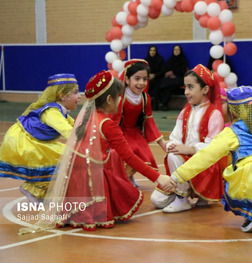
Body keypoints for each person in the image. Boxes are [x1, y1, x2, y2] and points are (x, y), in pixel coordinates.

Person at [19, 70, 176, 234]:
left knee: (112, 155)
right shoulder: (107, 124)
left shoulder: (86, 116)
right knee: (115, 156)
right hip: (92, 177)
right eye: (118, 97)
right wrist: (158, 178)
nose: (119, 100)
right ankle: (100, 204)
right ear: (109, 99)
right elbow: (129, 157)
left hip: (74, 177)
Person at [169, 86, 252, 232]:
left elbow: (206, 156)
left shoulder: (232, 132)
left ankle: (251, 214)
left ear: (233, 110)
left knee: (231, 173)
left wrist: (178, 176)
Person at [150, 64, 226, 213]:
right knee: (157, 200)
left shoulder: (214, 114)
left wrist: (190, 149)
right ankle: (184, 191)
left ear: (205, 89)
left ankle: (182, 198)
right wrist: (172, 144)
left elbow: (214, 148)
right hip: (184, 163)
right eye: (185, 87)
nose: (186, 92)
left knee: (173, 156)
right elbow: (174, 136)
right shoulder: (185, 111)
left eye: (191, 87)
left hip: (203, 166)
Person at [0, 74, 81, 203]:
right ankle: (32, 189)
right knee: (64, 156)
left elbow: (76, 126)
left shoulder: (61, 111)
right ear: (62, 95)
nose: (80, 96)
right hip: (23, 142)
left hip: (34, 141)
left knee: (61, 156)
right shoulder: (52, 112)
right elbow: (69, 132)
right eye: (75, 92)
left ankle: (35, 189)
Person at [115, 59, 168, 187]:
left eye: (145, 79)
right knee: (127, 150)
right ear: (127, 80)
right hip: (119, 132)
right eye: (137, 78)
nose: (141, 83)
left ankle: (129, 177)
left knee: (143, 152)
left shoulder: (145, 98)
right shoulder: (120, 98)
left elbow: (149, 121)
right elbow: (113, 120)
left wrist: (162, 143)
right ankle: (123, 178)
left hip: (135, 132)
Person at [159, 44, 189, 111]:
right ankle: (164, 104)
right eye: (175, 49)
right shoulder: (170, 59)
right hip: (170, 80)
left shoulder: (183, 59)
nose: (176, 51)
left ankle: (164, 104)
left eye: (178, 49)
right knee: (166, 86)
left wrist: (174, 74)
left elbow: (183, 71)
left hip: (179, 78)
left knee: (168, 86)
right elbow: (166, 69)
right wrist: (168, 74)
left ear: (180, 51)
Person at [144, 45, 166, 110]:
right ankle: (152, 101)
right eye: (151, 50)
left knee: (156, 83)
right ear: (149, 51)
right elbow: (143, 71)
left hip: (158, 77)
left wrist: (155, 75)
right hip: (148, 78)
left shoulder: (160, 59)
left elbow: (163, 71)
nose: (152, 52)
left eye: (154, 51)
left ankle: (154, 101)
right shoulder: (146, 61)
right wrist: (148, 75)